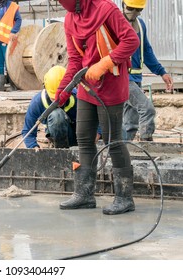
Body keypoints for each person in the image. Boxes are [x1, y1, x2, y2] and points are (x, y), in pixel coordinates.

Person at [55, 0, 140, 215]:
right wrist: (64, 87)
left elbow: (131, 40)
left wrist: (104, 63)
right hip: (86, 85)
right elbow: (75, 60)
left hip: (111, 84)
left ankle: (124, 197)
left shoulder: (106, 9)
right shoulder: (70, 19)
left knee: (112, 140)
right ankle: (84, 195)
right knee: (84, 137)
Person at [121, 0, 174, 141]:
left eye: (138, 10)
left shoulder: (141, 25)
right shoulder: (116, 24)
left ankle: (125, 151)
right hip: (122, 78)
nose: (133, 13)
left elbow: (147, 51)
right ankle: (147, 145)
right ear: (123, 4)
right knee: (147, 109)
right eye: (130, 8)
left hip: (136, 79)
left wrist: (161, 72)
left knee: (130, 124)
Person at [22, 66, 78, 149]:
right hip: (57, 137)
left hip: (79, 137)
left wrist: (97, 135)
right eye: (53, 98)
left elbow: (96, 119)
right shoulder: (38, 102)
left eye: (61, 98)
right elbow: (28, 131)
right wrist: (33, 146)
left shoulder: (77, 97)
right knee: (57, 115)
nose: (58, 102)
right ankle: (61, 151)